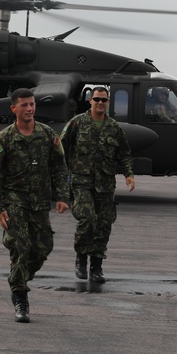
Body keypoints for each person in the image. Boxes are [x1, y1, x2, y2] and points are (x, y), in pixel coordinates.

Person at [0, 88, 69, 323]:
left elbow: (59, 167)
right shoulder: (4, 138)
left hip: (40, 202)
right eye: (24, 105)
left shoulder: (47, 135)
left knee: (44, 247)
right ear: (14, 108)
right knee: (21, 246)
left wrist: (63, 196)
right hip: (15, 202)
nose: (30, 108)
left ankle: (18, 277)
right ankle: (20, 295)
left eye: (32, 104)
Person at [59, 86, 135, 283]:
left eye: (104, 100)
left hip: (105, 184)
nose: (100, 103)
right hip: (81, 182)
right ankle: (81, 258)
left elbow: (124, 153)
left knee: (103, 225)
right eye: (97, 99)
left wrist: (128, 174)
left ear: (107, 102)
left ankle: (96, 266)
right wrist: (61, 175)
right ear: (90, 101)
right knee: (87, 218)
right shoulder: (77, 123)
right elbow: (60, 148)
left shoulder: (114, 128)